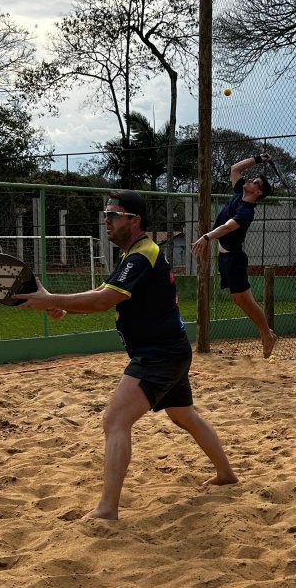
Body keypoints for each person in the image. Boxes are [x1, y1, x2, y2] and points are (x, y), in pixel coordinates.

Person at [18, 189, 237, 521]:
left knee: (115, 420)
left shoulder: (141, 256)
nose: (106, 221)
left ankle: (107, 509)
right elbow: (102, 293)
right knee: (184, 416)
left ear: (134, 220)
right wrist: (61, 304)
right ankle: (226, 474)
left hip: (158, 355)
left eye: (113, 215)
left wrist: (50, 301)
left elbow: (103, 300)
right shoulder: (133, 255)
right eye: (105, 215)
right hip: (171, 350)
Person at [191, 154, 279, 358]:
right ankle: (266, 332)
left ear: (257, 192)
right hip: (224, 258)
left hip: (234, 259)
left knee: (245, 299)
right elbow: (235, 168)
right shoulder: (240, 191)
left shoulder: (247, 212)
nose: (249, 180)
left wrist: (206, 237)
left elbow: (227, 227)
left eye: (255, 182)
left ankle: (267, 334)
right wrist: (258, 158)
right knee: (238, 299)